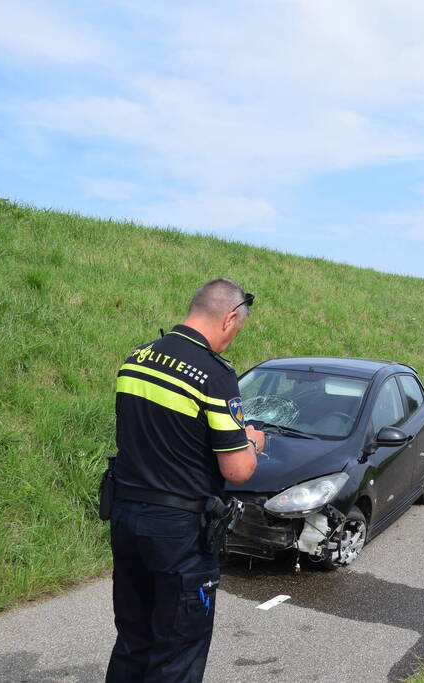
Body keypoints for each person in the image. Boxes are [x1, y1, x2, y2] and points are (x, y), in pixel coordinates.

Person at [106, 278, 265, 682]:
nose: (232, 340)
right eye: (237, 330)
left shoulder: (136, 359)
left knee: (132, 641)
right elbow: (237, 469)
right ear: (229, 318)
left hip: (126, 518)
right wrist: (251, 443)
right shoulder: (214, 376)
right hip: (179, 534)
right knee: (177, 651)